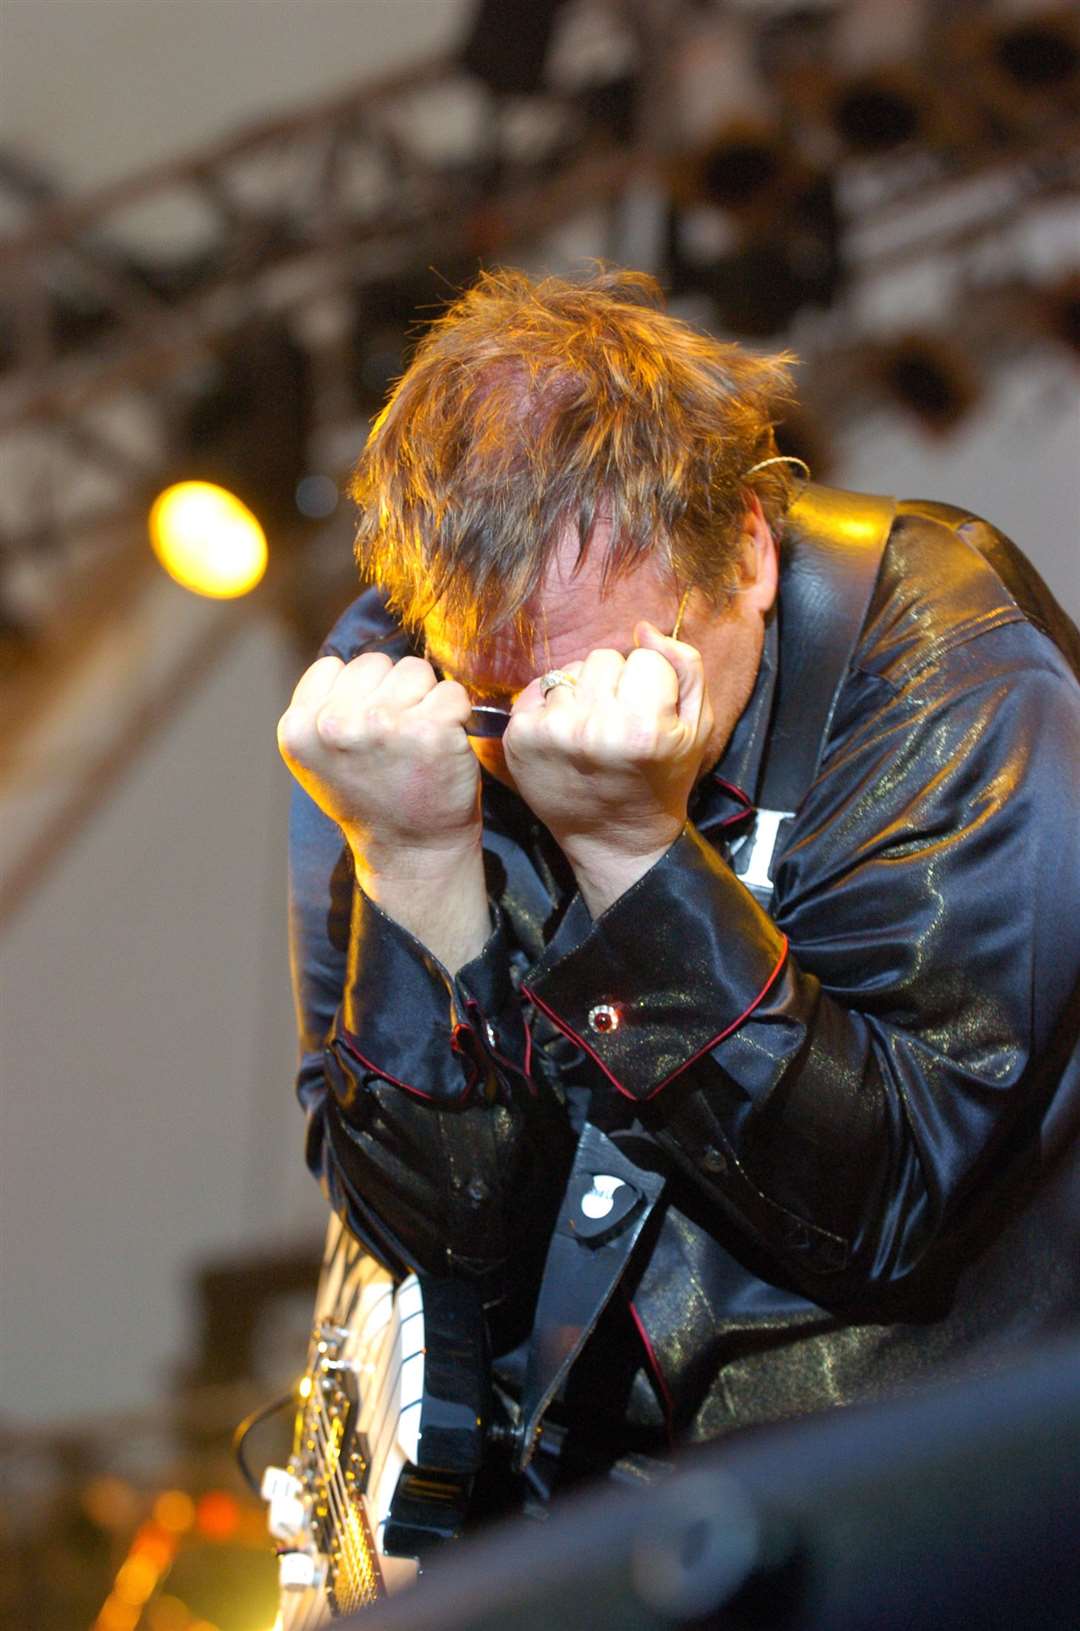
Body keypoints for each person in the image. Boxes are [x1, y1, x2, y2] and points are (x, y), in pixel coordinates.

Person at [278, 267, 1080, 1492]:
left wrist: (630, 852)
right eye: (504, 698)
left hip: (928, 1486)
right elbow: (443, 1266)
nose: (552, 737)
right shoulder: (391, 700)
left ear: (749, 551)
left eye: (604, 674)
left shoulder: (953, 677)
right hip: (585, 1509)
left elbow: (888, 1204)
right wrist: (415, 866)